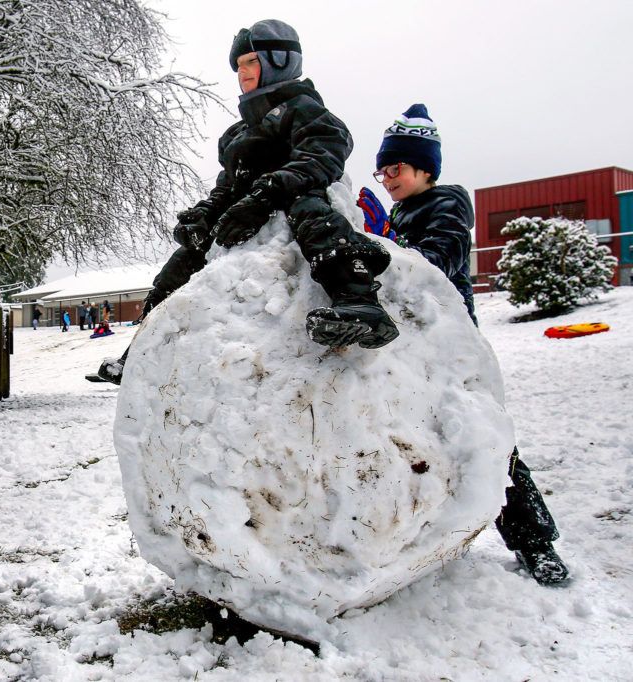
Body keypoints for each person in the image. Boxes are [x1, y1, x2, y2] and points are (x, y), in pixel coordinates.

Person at [92, 19, 397, 384]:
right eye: (239, 66)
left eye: (251, 62)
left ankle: (358, 299)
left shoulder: (306, 110)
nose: (242, 73)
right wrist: (202, 216)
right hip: (244, 218)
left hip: (296, 206)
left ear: (280, 61)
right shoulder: (238, 134)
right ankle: (142, 351)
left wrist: (265, 195)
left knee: (308, 207)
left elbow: (321, 158)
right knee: (183, 261)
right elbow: (227, 187)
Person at [359, 103, 569, 586]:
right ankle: (425, 540)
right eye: (383, 169)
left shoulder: (448, 205)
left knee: (487, 444)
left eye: (396, 168)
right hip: (412, 352)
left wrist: (387, 240)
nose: (387, 178)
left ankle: (535, 542)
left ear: (424, 168)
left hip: (453, 353)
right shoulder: (404, 210)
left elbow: (435, 264)